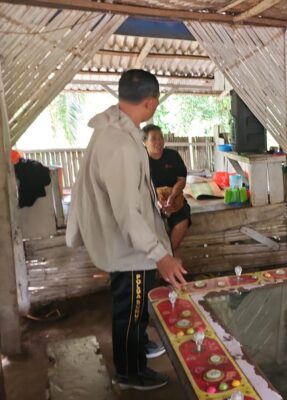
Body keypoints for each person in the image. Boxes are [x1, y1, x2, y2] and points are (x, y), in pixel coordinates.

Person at [66, 69, 188, 390]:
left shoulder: (119, 127)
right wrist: (160, 255)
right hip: (130, 248)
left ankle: (135, 347)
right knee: (131, 310)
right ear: (150, 102)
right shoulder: (118, 143)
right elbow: (126, 212)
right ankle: (130, 371)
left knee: (134, 305)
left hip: (131, 242)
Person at [143, 124, 191, 252]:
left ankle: (167, 256)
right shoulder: (140, 160)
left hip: (174, 197)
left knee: (182, 221)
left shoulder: (173, 156)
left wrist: (172, 196)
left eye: (160, 138)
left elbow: (181, 180)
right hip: (149, 201)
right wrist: (156, 202)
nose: (158, 142)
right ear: (144, 142)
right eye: (154, 138)